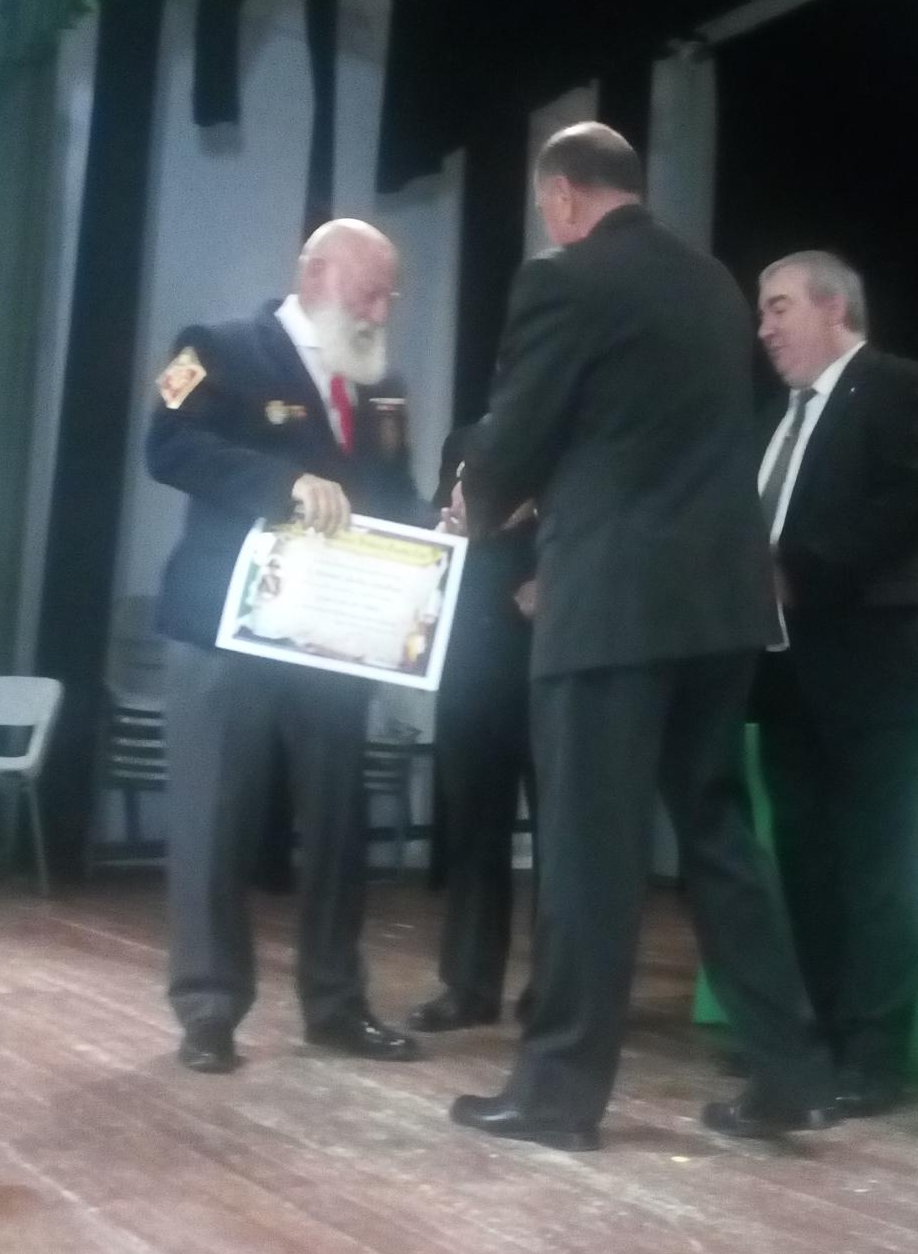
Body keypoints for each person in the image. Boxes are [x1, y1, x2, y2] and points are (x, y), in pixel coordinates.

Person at [448, 123, 836, 1151]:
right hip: (718, 605)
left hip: (611, 602)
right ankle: (789, 1071)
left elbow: (522, 424)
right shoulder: (713, 286)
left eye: (549, 207)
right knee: (718, 838)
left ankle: (555, 1095)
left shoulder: (562, 279)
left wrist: (478, 498)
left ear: (564, 196)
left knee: (587, 848)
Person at [147, 218, 425, 1073]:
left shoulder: (384, 389)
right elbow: (169, 445)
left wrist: (437, 534)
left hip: (334, 638)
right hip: (222, 630)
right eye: (368, 292)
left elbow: (394, 496)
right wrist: (284, 482)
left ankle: (337, 1004)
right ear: (314, 273)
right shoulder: (215, 347)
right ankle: (208, 1009)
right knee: (213, 821)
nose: (380, 312)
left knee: (339, 824)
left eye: (389, 297)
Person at [752, 252, 918, 1117]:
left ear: (833, 305)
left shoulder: (908, 387)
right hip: (784, 677)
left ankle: (872, 1060)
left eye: (778, 307)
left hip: (877, 674)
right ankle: (819, 1042)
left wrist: (795, 570)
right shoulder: (775, 419)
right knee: (806, 866)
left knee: (879, 873)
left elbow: (915, 502)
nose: (763, 329)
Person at [409, 426, 536, 1035]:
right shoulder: (466, 440)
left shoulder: (576, 435)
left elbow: (604, 524)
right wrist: (447, 523)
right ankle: (468, 985)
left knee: (563, 832)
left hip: (552, 649)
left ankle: (559, 988)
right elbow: (444, 518)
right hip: (469, 652)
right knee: (472, 826)